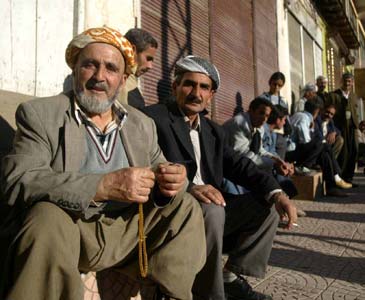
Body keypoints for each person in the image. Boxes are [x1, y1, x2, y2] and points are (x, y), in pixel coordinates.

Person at [0, 27, 206, 300]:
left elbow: (160, 168)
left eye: (110, 68)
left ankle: (168, 295)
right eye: (90, 65)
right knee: (46, 218)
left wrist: (173, 179)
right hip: (72, 229)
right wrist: (102, 185)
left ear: (122, 80)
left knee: (186, 206)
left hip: (127, 234)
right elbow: (20, 179)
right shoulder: (41, 114)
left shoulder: (141, 124)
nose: (99, 77)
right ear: (75, 70)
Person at [143, 55, 298, 300]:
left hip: (210, 216)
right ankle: (210, 294)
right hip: (170, 210)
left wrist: (278, 193)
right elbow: (145, 166)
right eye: (188, 84)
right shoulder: (153, 119)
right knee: (213, 210)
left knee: (268, 206)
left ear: (211, 95)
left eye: (204, 87)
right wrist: (189, 189)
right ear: (174, 87)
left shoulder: (213, 130)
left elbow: (241, 166)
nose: (196, 93)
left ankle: (229, 277)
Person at [223, 98, 296, 196]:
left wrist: (278, 160)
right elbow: (243, 156)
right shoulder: (239, 123)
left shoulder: (259, 127)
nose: (264, 119)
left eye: (267, 116)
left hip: (242, 165)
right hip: (227, 167)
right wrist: (273, 164)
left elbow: (260, 150)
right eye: (261, 113)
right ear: (251, 110)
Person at [288, 100, 351, 197]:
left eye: (331, 114)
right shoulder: (306, 118)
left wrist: (332, 133)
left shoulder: (308, 117)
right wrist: (313, 130)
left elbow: (335, 130)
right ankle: (334, 174)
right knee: (322, 144)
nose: (329, 115)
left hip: (302, 150)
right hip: (292, 152)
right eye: (327, 112)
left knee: (324, 153)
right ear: (318, 111)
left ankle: (331, 187)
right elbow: (305, 140)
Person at [326, 73, 365, 184]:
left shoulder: (353, 95)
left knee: (354, 151)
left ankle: (349, 178)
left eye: (349, 81)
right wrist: (332, 130)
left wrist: (359, 126)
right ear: (341, 81)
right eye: (345, 81)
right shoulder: (334, 95)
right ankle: (340, 178)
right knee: (344, 152)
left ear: (352, 83)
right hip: (340, 127)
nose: (347, 83)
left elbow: (356, 112)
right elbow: (329, 113)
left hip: (352, 127)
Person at [118, 28, 158, 110]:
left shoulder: (129, 82)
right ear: (132, 50)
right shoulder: (123, 85)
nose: (150, 66)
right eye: (148, 58)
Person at [260, 71, 291, 158]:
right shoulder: (263, 98)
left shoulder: (283, 101)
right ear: (270, 82)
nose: (276, 87)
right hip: (267, 130)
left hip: (280, 132)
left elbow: (286, 118)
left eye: (279, 85)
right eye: (274, 84)